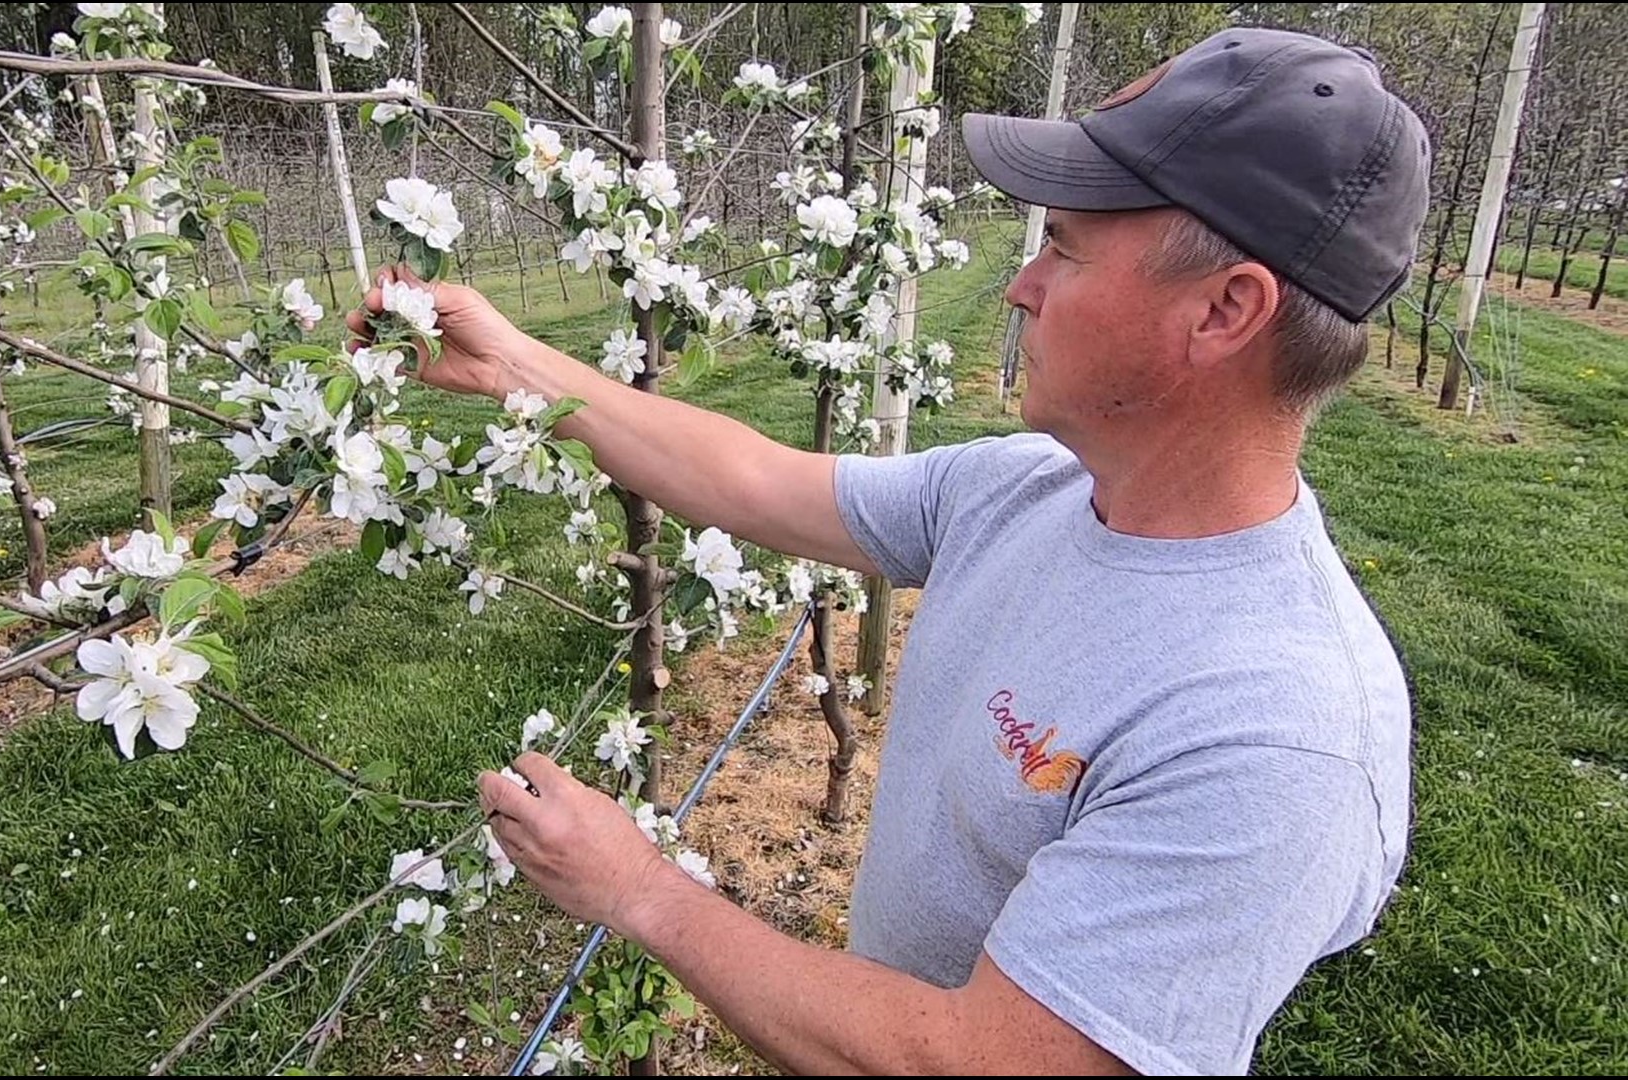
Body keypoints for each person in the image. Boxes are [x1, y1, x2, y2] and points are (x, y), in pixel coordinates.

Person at [351, 25, 1428, 1076]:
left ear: (1225, 311)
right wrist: (516, 370)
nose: (1021, 286)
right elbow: (757, 481)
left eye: (1064, 248)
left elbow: (983, 1059)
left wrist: (638, 890)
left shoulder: (1273, 734)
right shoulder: (1031, 490)